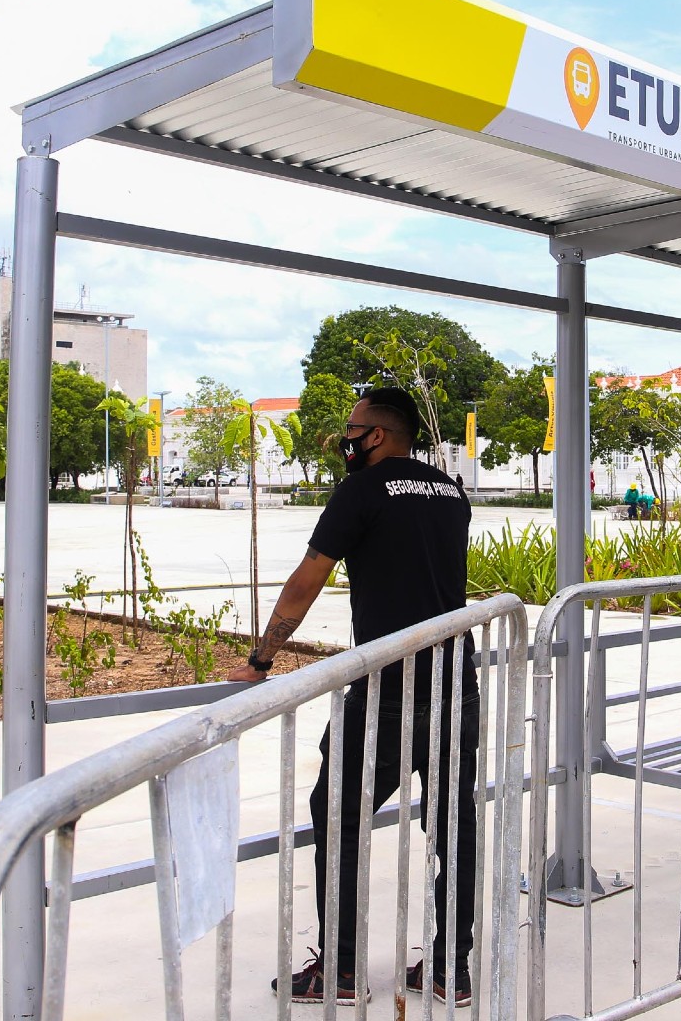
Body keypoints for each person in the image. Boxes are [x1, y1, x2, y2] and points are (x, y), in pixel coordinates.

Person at [224, 387, 478, 1007]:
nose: (347, 437)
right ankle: (452, 970)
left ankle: (340, 970)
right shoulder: (451, 493)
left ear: (381, 435)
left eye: (354, 428)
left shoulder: (362, 491)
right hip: (454, 683)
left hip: (388, 686)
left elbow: (309, 576)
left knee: (335, 814)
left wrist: (261, 659)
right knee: (454, 820)